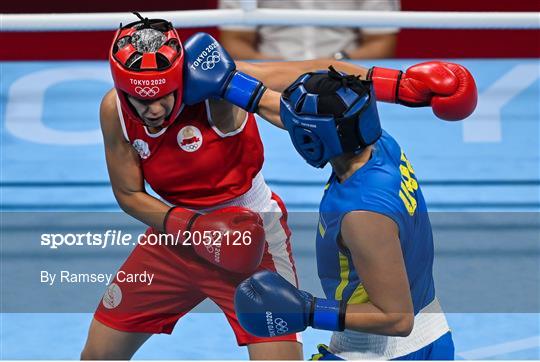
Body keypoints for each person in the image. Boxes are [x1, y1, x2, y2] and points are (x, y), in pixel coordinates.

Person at [80, 14, 304, 360]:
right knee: (98, 355)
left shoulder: (216, 90)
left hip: (252, 236)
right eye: (141, 101)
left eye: (165, 97)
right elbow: (128, 194)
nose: (154, 110)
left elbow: (294, 83)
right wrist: (194, 228)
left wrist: (381, 83)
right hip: (174, 235)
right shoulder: (114, 110)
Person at [233, 66, 477, 358]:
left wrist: (309, 311)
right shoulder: (380, 144)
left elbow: (397, 318)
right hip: (427, 337)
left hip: (384, 353)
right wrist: (234, 86)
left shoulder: (362, 214)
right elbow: (296, 116)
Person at [219, 0, 400, 60]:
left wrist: (337, 64)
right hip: (270, 76)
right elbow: (235, 40)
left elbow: (381, 41)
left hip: (347, 74)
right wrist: (271, 70)